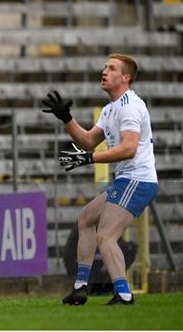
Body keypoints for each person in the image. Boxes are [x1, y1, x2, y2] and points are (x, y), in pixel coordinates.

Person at [42, 53, 158, 306]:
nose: (104, 71)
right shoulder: (111, 108)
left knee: (105, 235)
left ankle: (124, 295)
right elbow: (87, 141)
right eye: (105, 66)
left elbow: (129, 149)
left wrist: (91, 158)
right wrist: (66, 118)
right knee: (86, 219)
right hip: (126, 180)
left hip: (138, 180)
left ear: (125, 78)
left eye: (112, 68)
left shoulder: (130, 106)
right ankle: (81, 287)